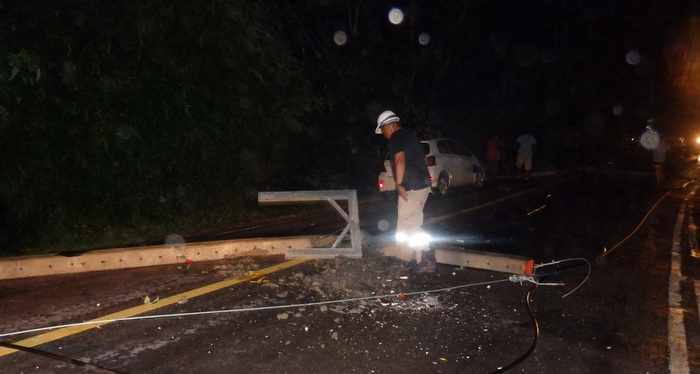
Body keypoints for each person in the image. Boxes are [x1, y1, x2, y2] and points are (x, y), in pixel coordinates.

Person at [375, 110, 434, 272]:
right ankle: (410, 258)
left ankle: (425, 258)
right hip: (420, 185)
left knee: (410, 224)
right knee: (407, 223)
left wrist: (399, 184)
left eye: (383, 129)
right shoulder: (408, 135)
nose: (383, 133)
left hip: (412, 187)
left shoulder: (396, 137)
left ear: (391, 125)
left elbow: (400, 160)